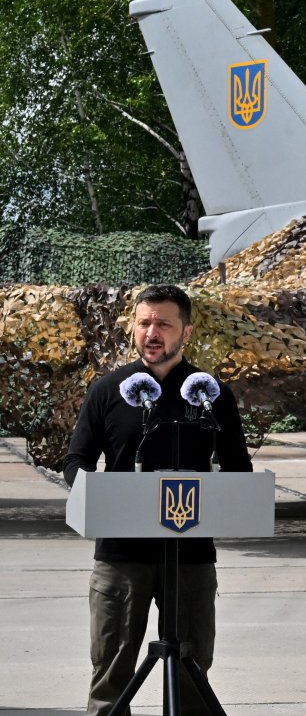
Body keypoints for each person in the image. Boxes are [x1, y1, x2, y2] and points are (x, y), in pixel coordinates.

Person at [62, 284, 253, 716]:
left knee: (191, 670)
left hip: (191, 554)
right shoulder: (109, 390)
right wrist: (93, 492)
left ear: (185, 331)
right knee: (110, 673)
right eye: (144, 322)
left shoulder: (210, 395)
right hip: (121, 555)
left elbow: (238, 469)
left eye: (163, 324)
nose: (152, 333)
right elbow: (76, 460)